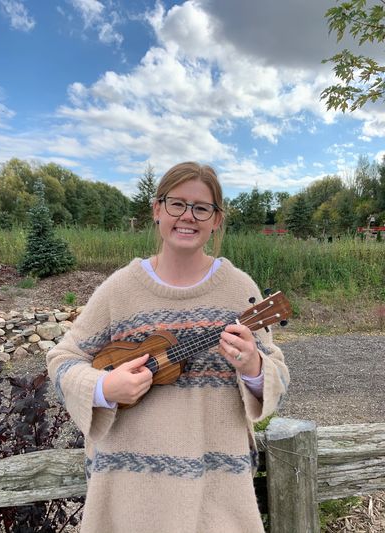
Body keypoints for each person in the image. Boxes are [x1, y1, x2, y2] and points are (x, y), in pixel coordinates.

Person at [47, 161, 289, 533]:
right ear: (157, 210)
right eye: (176, 204)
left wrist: (254, 367)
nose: (187, 216)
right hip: (129, 490)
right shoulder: (119, 289)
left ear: (216, 219)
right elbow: (64, 358)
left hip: (216, 487)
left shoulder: (240, 289)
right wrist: (103, 388)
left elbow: (276, 371)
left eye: (201, 207)